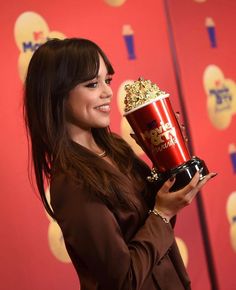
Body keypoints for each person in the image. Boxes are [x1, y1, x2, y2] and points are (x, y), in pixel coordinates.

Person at [23, 38, 216, 290]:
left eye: (108, 80)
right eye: (92, 84)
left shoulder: (115, 148)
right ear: (57, 94)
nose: (107, 92)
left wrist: (169, 158)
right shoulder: (72, 183)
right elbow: (123, 280)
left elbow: (154, 223)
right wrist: (163, 213)